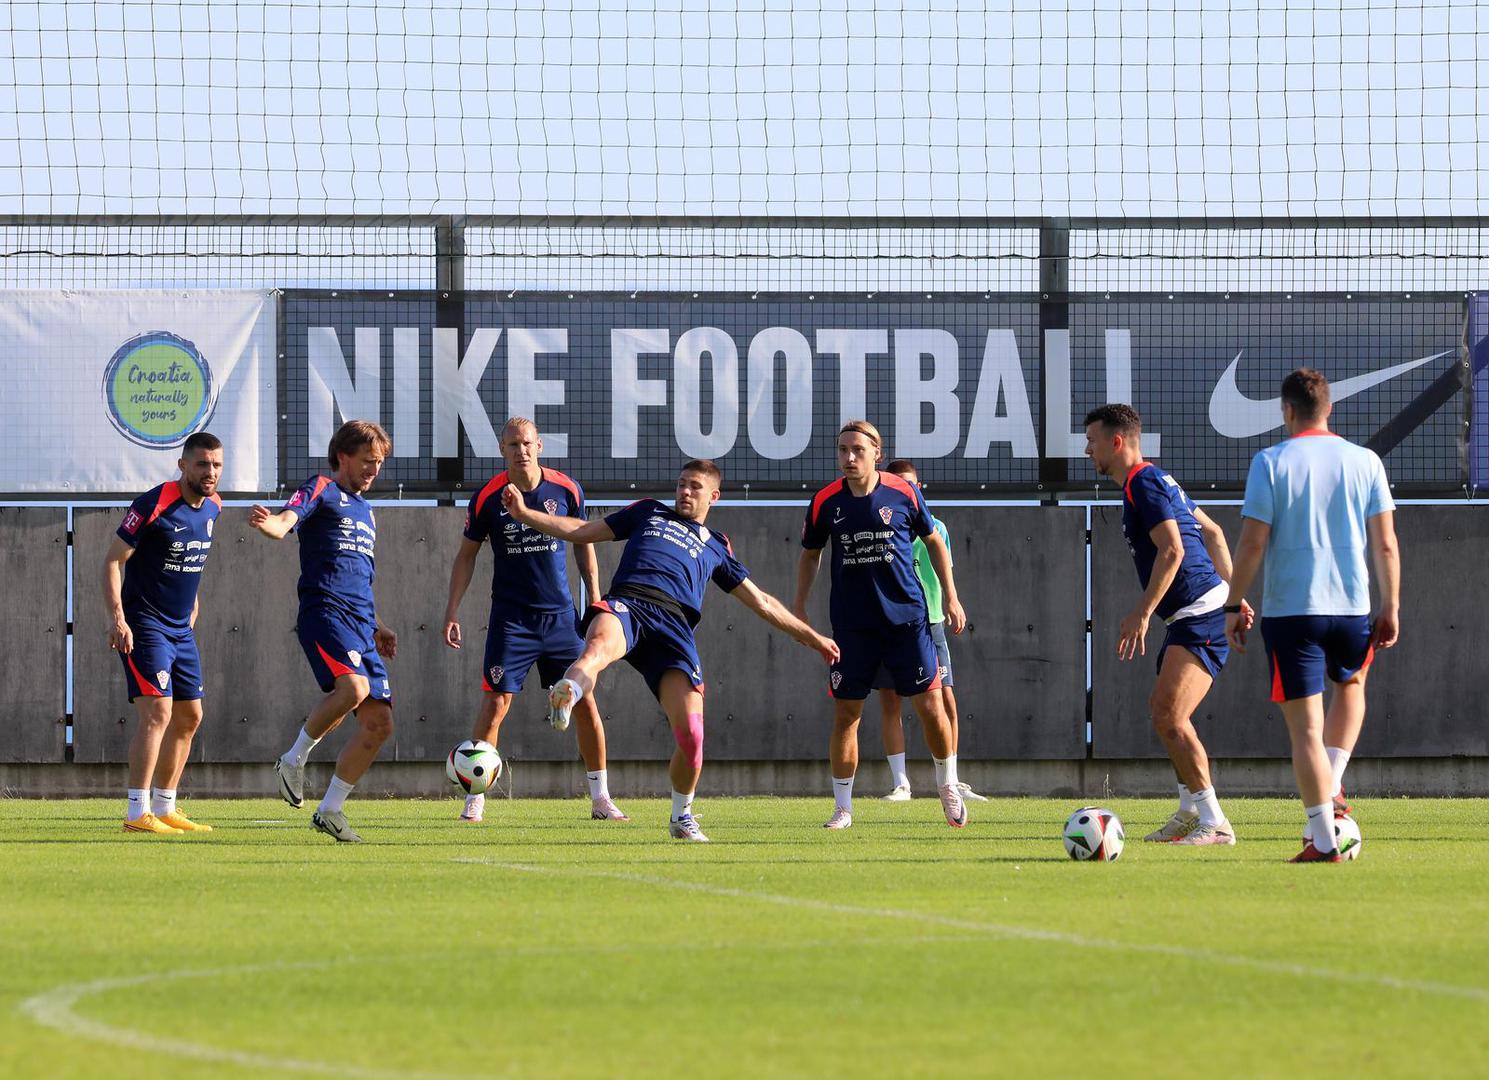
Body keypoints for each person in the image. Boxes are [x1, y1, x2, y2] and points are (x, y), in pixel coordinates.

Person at [502, 459, 839, 842]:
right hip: (630, 603)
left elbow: (762, 601)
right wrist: (525, 514)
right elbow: (581, 530)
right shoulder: (648, 511)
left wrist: (813, 637)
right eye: (681, 484)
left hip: (675, 629)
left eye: (694, 486)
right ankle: (569, 694)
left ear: (714, 495)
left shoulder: (715, 545)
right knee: (596, 648)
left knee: (692, 737)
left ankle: (681, 816)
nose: (684, 492)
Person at [1225, 369, 1401, 863]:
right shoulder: (1365, 461)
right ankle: (1335, 773)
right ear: (1329, 409)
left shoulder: (1271, 461)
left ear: (1286, 411)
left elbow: (1253, 542)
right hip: (1351, 608)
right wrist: (1391, 605)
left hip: (1292, 612)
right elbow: (1384, 542)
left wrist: (1233, 603)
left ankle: (1323, 837)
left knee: (1304, 730)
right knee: (1353, 688)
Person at [443, 417, 626, 823]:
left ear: (539, 446)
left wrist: (595, 601)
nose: (521, 450)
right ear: (502, 450)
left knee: (583, 701)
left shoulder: (566, 489)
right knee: (495, 704)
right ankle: (476, 795)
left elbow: (584, 540)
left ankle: (601, 799)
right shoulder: (488, 497)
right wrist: (452, 610)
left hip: (560, 618)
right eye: (512, 445)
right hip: (512, 620)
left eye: (527, 443)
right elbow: (466, 555)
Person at [1084, 404, 1252, 845]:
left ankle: (1215, 822)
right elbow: (1213, 534)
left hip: (1200, 616)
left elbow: (1174, 551)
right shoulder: (1156, 480)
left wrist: (1141, 612)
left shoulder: (1143, 482)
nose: (1088, 450)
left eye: (1093, 440)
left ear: (1116, 442)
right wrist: (1235, 598)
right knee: (1165, 715)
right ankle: (1188, 811)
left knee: (1169, 714)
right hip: (1194, 614)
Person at [794, 420, 969, 831]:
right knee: (846, 715)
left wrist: (951, 596)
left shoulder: (902, 491)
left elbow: (934, 541)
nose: (849, 458)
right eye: (842, 450)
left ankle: (947, 786)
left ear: (876, 451)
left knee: (931, 707)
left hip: (907, 621)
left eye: (857, 449)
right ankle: (842, 808)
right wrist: (799, 606)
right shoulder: (825, 501)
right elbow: (810, 553)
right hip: (852, 627)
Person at [249, 420, 398, 844]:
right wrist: (271, 524)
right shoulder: (320, 487)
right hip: (325, 612)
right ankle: (293, 759)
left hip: (361, 623)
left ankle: (330, 811)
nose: (373, 470)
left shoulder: (367, 512)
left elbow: (360, 576)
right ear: (343, 457)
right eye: (367, 461)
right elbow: (286, 521)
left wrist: (379, 625)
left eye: (380, 463)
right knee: (351, 688)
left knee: (379, 724)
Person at [102, 432, 224, 835]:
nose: (210, 472)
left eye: (217, 465)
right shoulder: (153, 503)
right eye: (203, 464)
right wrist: (119, 618)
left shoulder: (214, 508)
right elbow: (113, 561)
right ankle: (137, 813)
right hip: (145, 624)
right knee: (158, 712)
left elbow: (189, 559)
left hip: (181, 630)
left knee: (190, 716)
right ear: (183, 466)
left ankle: (166, 807)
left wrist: (194, 601)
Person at [872, 460, 985, 804]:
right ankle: (900, 783)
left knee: (944, 697)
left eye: (912, 484)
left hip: (930, 623)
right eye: (898, 483)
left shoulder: (935, 526)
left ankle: (951, 779)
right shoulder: (878, 525)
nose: (906, 489)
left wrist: (953, 600)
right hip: (888, 623)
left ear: (919, 488)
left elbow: (943, 568)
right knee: (890, 700)